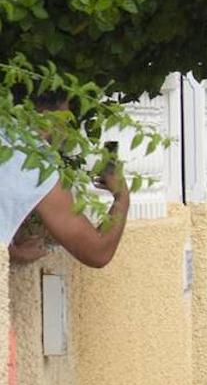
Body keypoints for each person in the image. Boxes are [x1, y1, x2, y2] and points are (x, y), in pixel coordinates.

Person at [3, 89, 129, 268]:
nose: (68, 127)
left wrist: (13, 252)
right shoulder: (38, 165)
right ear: (47, 114)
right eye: (66, 116)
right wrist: (122, 197)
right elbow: (97, 253)